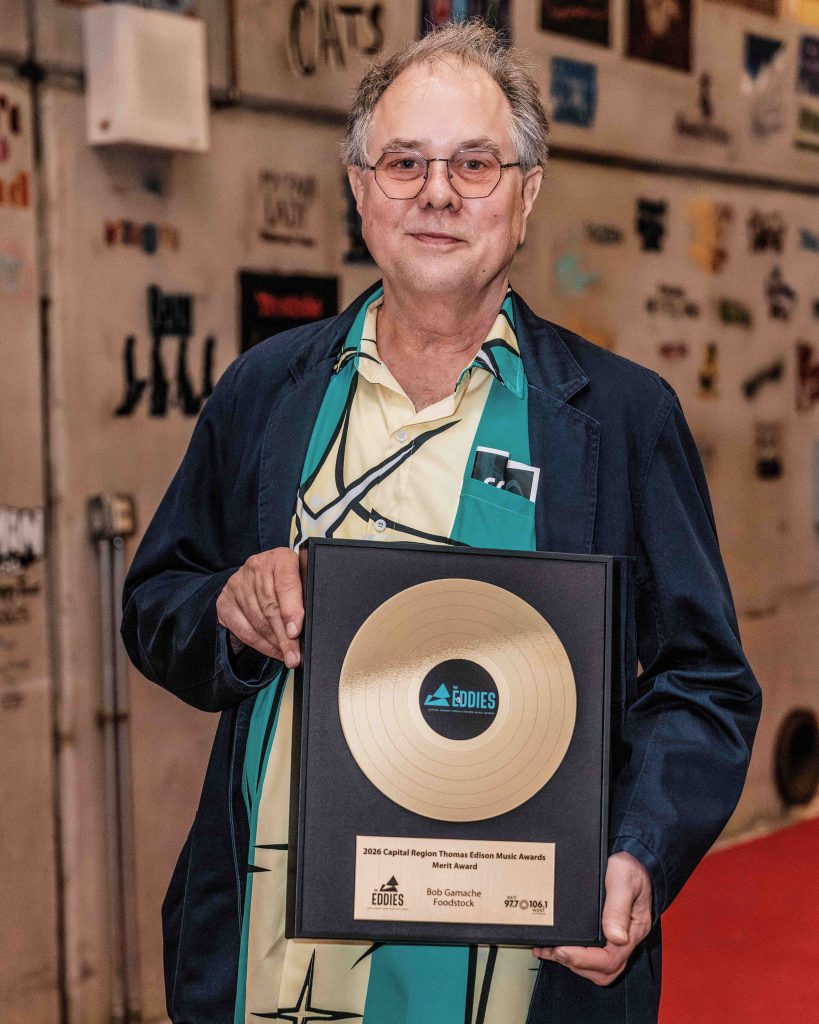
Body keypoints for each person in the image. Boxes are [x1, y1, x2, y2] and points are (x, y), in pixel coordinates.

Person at [121, 20, 761, 1024]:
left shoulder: (622, 418)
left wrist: (637, 850)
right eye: (404, 162)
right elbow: (158, 601)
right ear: (358, 187)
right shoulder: (265, 392)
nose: (436, 193)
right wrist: (230, 613)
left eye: (473, 163)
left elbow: (705, 682)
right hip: (276, 960)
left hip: (517, 967)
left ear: (527, 193)